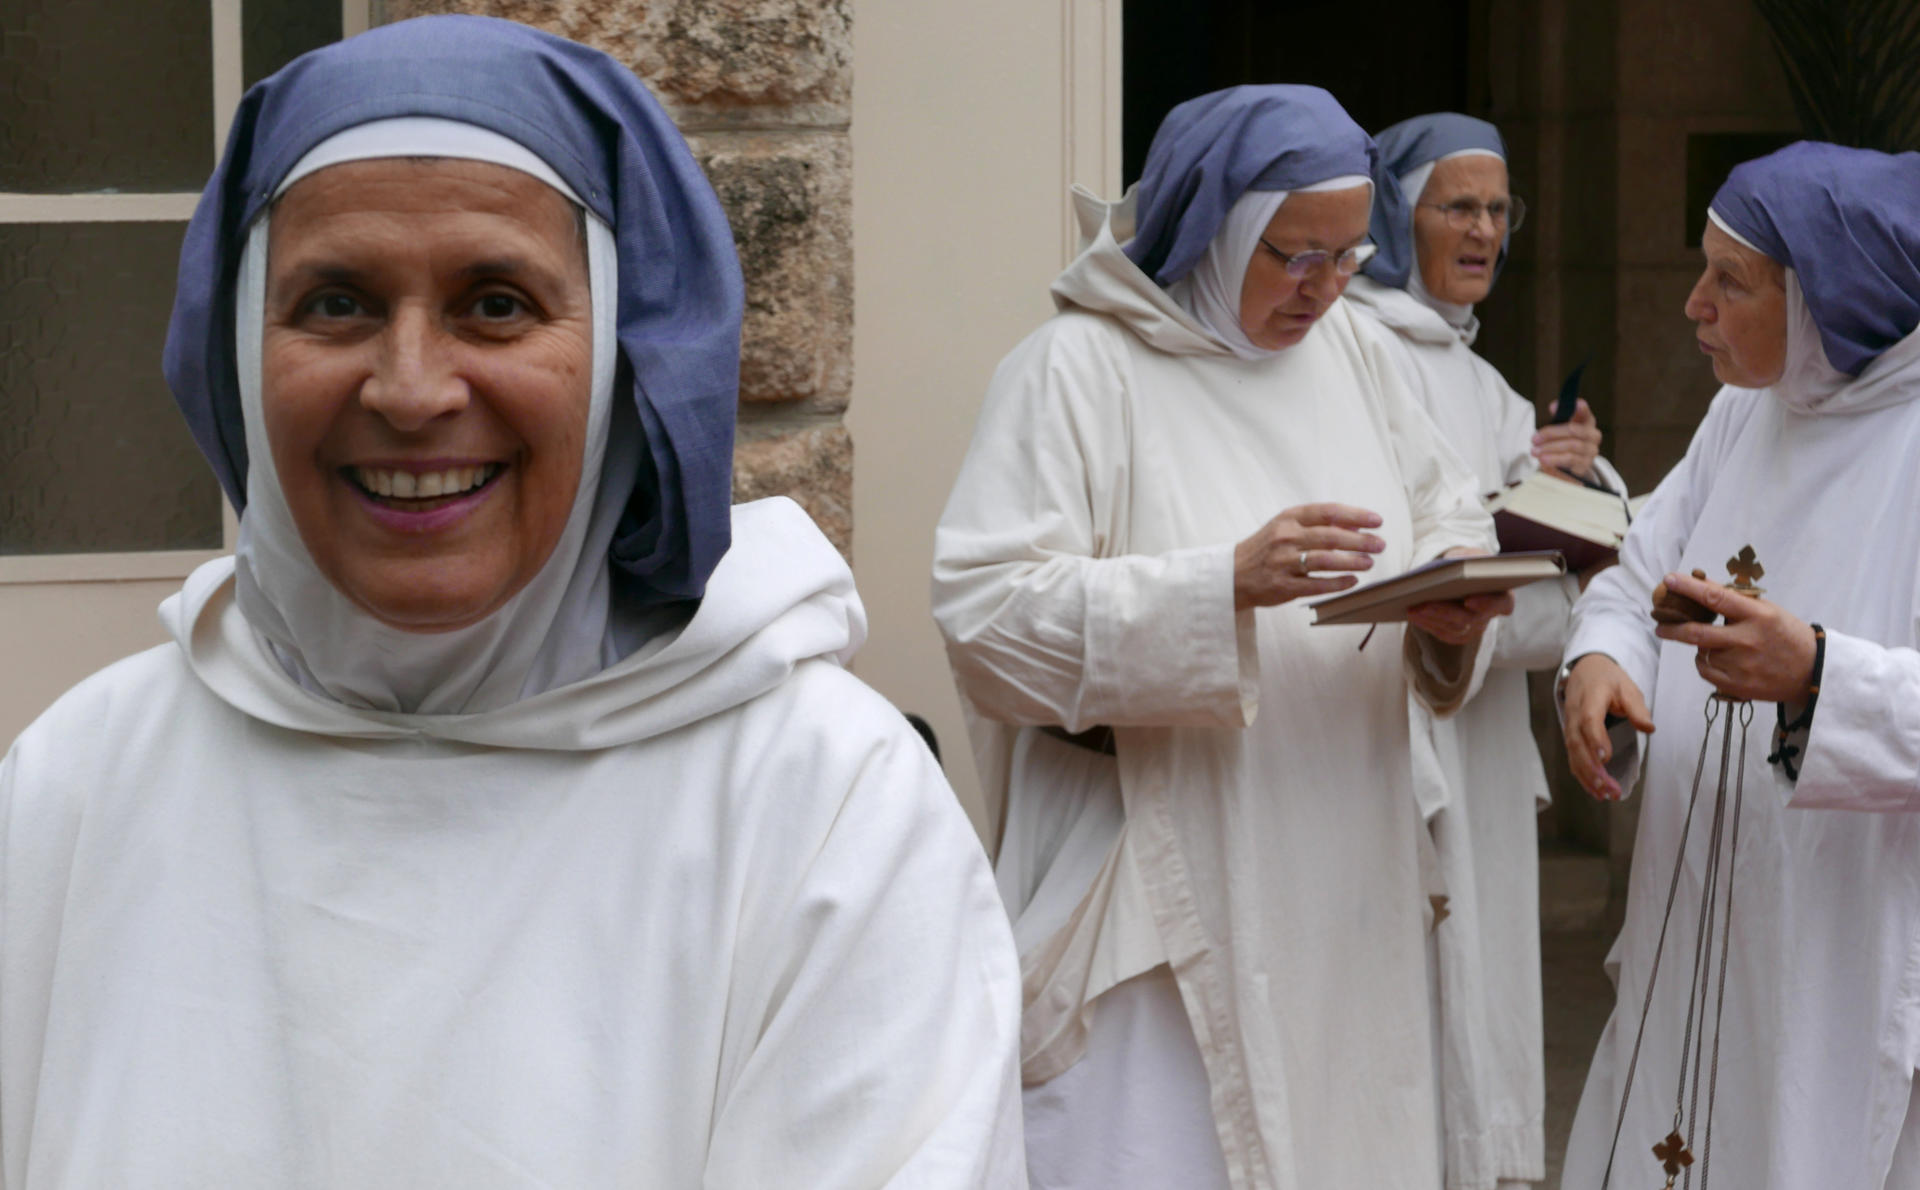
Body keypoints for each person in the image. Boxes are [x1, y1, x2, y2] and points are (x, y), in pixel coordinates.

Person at [0, 17, 1025, 1186]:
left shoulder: (821, 805)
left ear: (627, 360)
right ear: (237, 352)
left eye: (497, 303)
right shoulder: (80, 783)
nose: (413, 388)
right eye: (334, 303)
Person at [932, 86, 1515, 1189]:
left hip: (1347, 870)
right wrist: (1220, 587)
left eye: (1350, 256)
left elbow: (1449, 515)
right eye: (1295, 255)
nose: (1325, 288)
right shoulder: (1077, 369)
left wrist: (1445, 612)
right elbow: (985, 617)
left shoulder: (1357, 351)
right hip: (1162, 885)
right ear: (1215, 225)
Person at [1558, 141, 1920, 1188]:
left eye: (1731, 280)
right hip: (1703, 923)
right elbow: (1635, 571)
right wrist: (1600, 661)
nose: (1693, 306)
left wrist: (1817, 672)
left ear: (1826, 301)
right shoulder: (1743, 412)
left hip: (1844, 949)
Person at [1343, 113, 1625, 1190]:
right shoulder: (1358, 347)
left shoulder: (1481, 376)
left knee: (1484, 992)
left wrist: (1577, 474)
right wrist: (1535, 529)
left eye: (1499, 209)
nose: (1485, 230)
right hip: (1396, 721)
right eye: (1457, 204)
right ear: (1393, 213)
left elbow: (1594, 558)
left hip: (1484, 738)